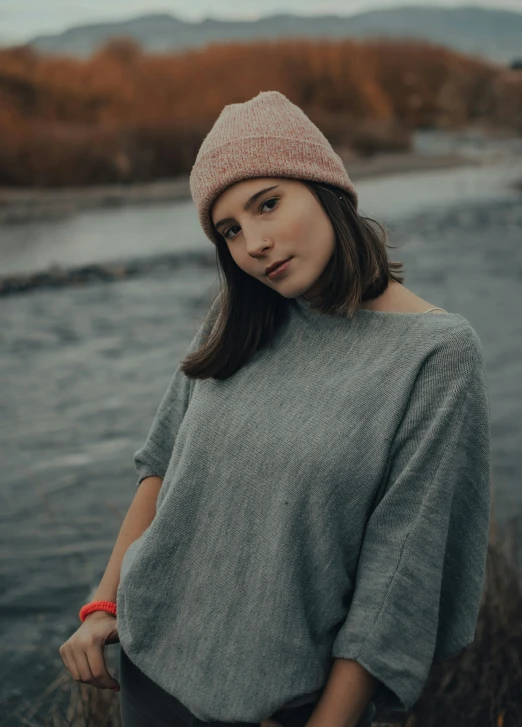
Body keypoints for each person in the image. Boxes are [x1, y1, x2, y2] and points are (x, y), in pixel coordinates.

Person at [58, 91, 492, 727]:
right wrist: (103, 608)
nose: (254, 243)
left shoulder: (437, 355)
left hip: (285, 705)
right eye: (229, 229)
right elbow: (161, 469)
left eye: (268, 203)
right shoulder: (240, 318)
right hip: (150, 675)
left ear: (326, 190)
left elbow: (396, 583)